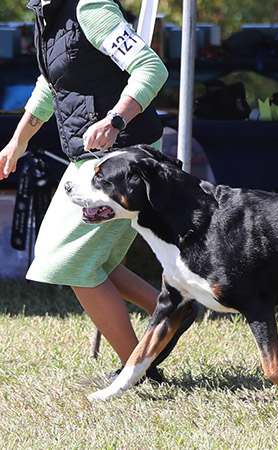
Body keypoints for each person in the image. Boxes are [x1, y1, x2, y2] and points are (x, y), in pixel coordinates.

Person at [0, 0, 194, 382]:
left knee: (69, 260)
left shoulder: (90, 7)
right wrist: (17, 143)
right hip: (89, 156)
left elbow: (150, 67)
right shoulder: (47, 14)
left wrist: (115, 120)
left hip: (123, 156)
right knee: (89, 261)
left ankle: (137, 371)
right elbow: (51, 83)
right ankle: (175, 309)